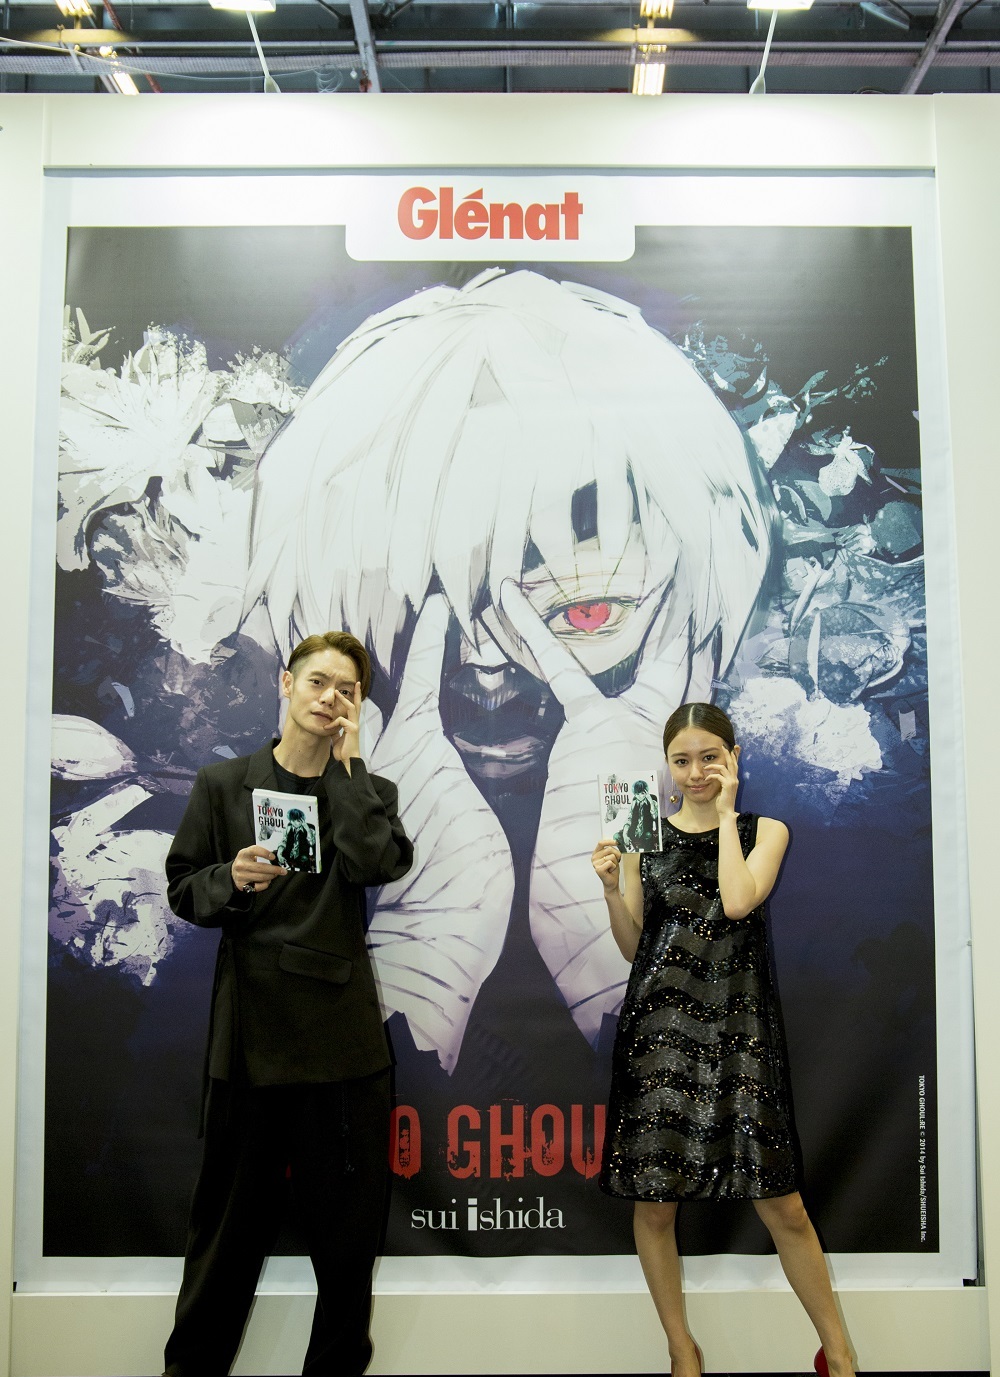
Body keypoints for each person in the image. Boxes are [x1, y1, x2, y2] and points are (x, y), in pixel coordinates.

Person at [244, 268, 775, 1073]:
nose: (487, 668)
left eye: (584, 612)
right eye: (418, 620)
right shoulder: (275, 822)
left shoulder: (759, 843)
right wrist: (429, 930)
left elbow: (703, 1116)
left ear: (689, 606)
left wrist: (606, 918)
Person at [114, 630, 413, 1377]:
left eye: (346, 689)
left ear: (358, 705)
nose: (330, 698)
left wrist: (350, 769)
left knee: (347, 1227)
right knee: (225, 1224)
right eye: (318, 682)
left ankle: (339, 1376)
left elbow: (376, 863)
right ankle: (188, 1376)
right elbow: (184, 888)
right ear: (286, 683)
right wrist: (232, 880)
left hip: (343, 1041)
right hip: (249, 1035)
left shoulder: (369, 788)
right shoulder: (224, 784)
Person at [592, 701, 884, 1377]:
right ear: (666, 765)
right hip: (658, 1034)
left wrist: (723, 817)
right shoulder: (642, 835)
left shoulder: (766, 831)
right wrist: (611, 884)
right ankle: (682, 1356)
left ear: (733, 756)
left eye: (709, 757)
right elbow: (632, 946)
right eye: (682, 761)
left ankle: (839, 1361)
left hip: (740, 1034)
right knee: (655, 1203)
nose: (695, 772)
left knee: (783, 1204)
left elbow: (737, 900)